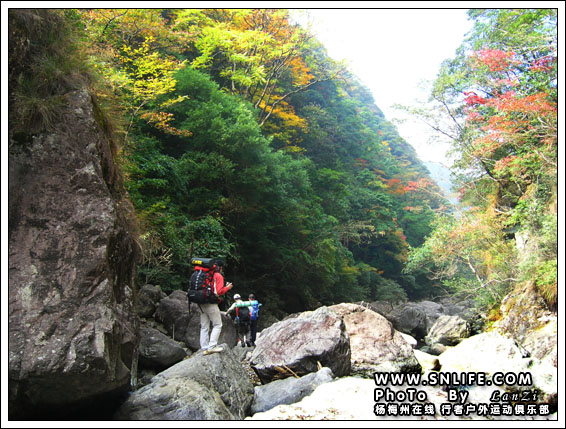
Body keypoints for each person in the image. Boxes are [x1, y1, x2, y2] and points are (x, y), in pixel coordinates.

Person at [198, 259, 232, 355]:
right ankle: (212, 346)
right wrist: (227, 288)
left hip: (200, 302)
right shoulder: (218, 276)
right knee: (217, 325)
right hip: (210, 303)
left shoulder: (204, 274)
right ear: (220, 268)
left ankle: (204, 347)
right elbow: (219, 291)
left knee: (204, 326)